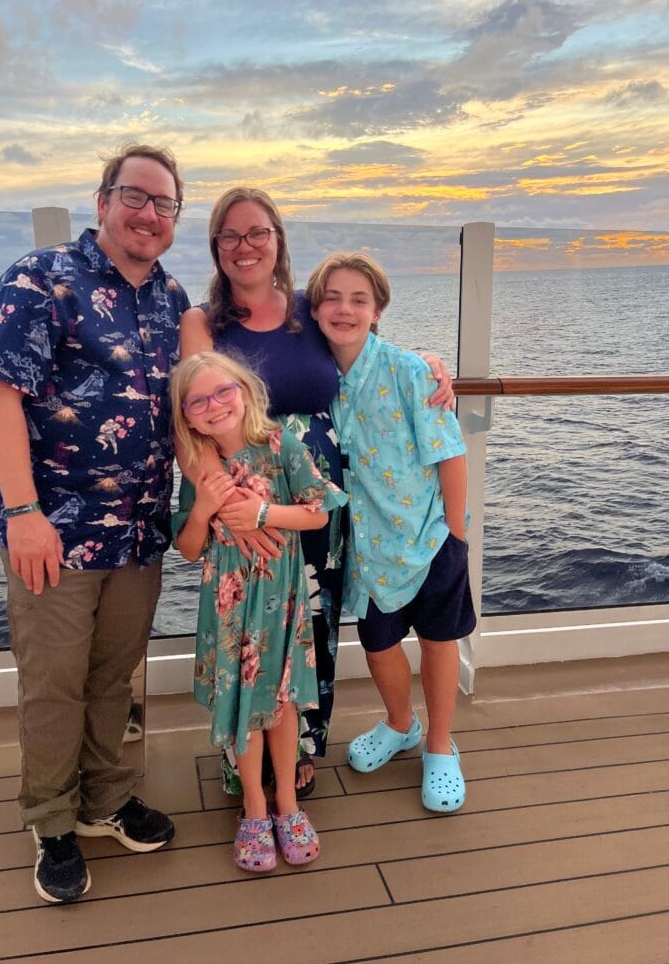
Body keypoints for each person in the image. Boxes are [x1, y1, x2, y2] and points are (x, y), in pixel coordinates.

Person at [179, 186, 455, 797]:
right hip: (244, 503)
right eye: (230, 235)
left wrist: (431, 364)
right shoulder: (204, 321)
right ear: (216, 247)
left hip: (317, 498)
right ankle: (245, 756)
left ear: (278, 240)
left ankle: (303, 746)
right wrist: (233, 508)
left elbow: (366, 347)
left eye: (258, 233)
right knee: (247, 628)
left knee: (314, 624)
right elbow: (190, 413)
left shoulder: (310, 308)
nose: (245, 246)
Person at [0, 143, 188, 903]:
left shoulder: (171, 298)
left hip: (137, 531)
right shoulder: (39, 278)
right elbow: (0, 392)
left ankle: (107, 799)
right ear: (103, 202)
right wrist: (25, 512)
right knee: (53, 680)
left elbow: (211, 392)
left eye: (165, 205)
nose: (149, 214)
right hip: (55, 532)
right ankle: (52, 820)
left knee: (111, 677)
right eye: (136, 197)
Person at [308, 252, 477, 812]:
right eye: (332, 297)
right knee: (379, 645)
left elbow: (450, 455)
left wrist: (455, 536)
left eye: (359, 299)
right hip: (366, 550)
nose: (345, 308)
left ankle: (438, 744)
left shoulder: (409, 371)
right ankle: (401, 723)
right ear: (314, 307)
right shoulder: (314, 379)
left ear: (377, 310)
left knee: (438, 641)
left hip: (429, 538)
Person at [170, 351, 346, 870]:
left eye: (223, 391)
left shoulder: (280, 445)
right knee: (244, 700)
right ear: (186, 414)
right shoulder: (197, 468)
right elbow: (187, 546)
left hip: (281, 601)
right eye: (198, 400)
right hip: (228, 608)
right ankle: (253, 806)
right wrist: (203, 509)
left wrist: (263, 512)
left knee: (283, 699)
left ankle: (287, 805)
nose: (214, 405)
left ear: (245, 389)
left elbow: (320, 513)